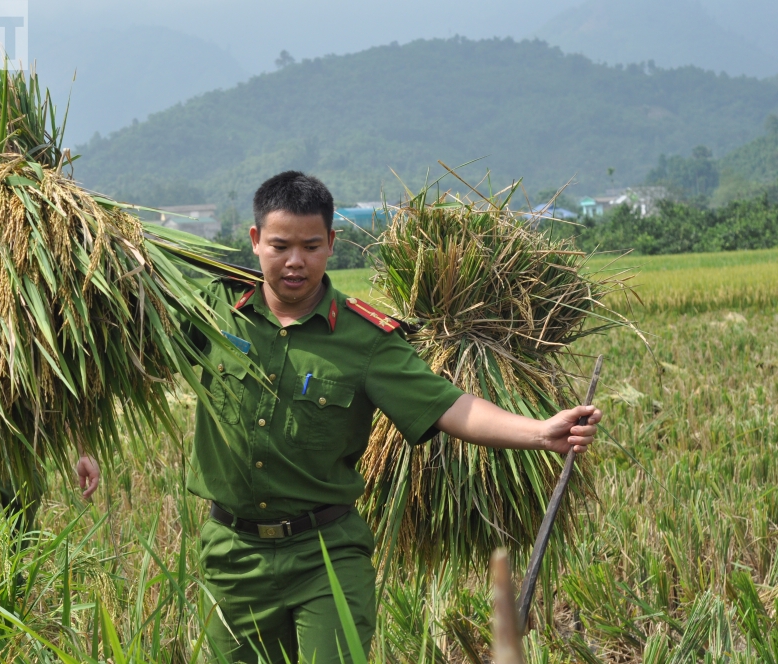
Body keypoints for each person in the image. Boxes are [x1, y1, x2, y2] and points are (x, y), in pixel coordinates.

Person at [73, 171, 602, 663]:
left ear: (331, 244)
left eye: (310, 246)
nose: (294, 262)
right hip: (231, 555)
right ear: (256, 239)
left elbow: (448, 405)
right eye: (280, 247)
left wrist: (539, 431)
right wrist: (81, 436)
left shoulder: (364, 339)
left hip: (325, 553)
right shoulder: (207, 309)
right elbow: (114, 357)